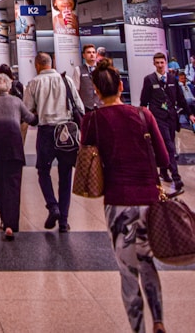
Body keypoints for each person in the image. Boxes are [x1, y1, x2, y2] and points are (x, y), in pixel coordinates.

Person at [81, 60, 169, 333]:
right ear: (121, 85)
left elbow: (86, 157)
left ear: (96, 90)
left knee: (127, 271)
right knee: (147, 262)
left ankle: (139, 328)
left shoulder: (93, 119)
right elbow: (164, 158)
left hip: (118, 201)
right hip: (150, 199)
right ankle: (158, 320)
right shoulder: (144, 115)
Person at [24, 51, 84, 232]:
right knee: (65, 176)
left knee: (43, 171)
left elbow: (27, 111)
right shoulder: (67, 81)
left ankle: (53, 206)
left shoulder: (34, 83)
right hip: (66, 132)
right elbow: (79, 107)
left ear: (37, 65)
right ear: (52, 63)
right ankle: (64, 221)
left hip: (46, 132)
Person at [0, 72, 37, 240]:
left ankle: (4, 218)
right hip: (14, 147)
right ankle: (11, 223)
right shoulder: (17, 102)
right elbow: (31, 119)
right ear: (9, 87)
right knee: (13, 184)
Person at [139, 51, 195, 194]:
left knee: (166, 144)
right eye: (157, 63)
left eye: (162, 62)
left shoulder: (172, 79)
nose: (159, 65)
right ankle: (177, 178)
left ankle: (163, 171)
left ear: (165, 63)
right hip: (158, 118)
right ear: (154, 64)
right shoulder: (149, 80)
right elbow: (144, 100)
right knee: (170, 147)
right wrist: (143, 118)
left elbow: (181, 98)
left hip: (171, 117)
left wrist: (190, 114)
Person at [72, 43, 101, 113]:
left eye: (93, 52)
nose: (92, 54)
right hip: (85, 107)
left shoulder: (102, 69)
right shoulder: (78, 69)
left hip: (101, 106)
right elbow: (76, 90)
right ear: (84, 55)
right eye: (89, 52)